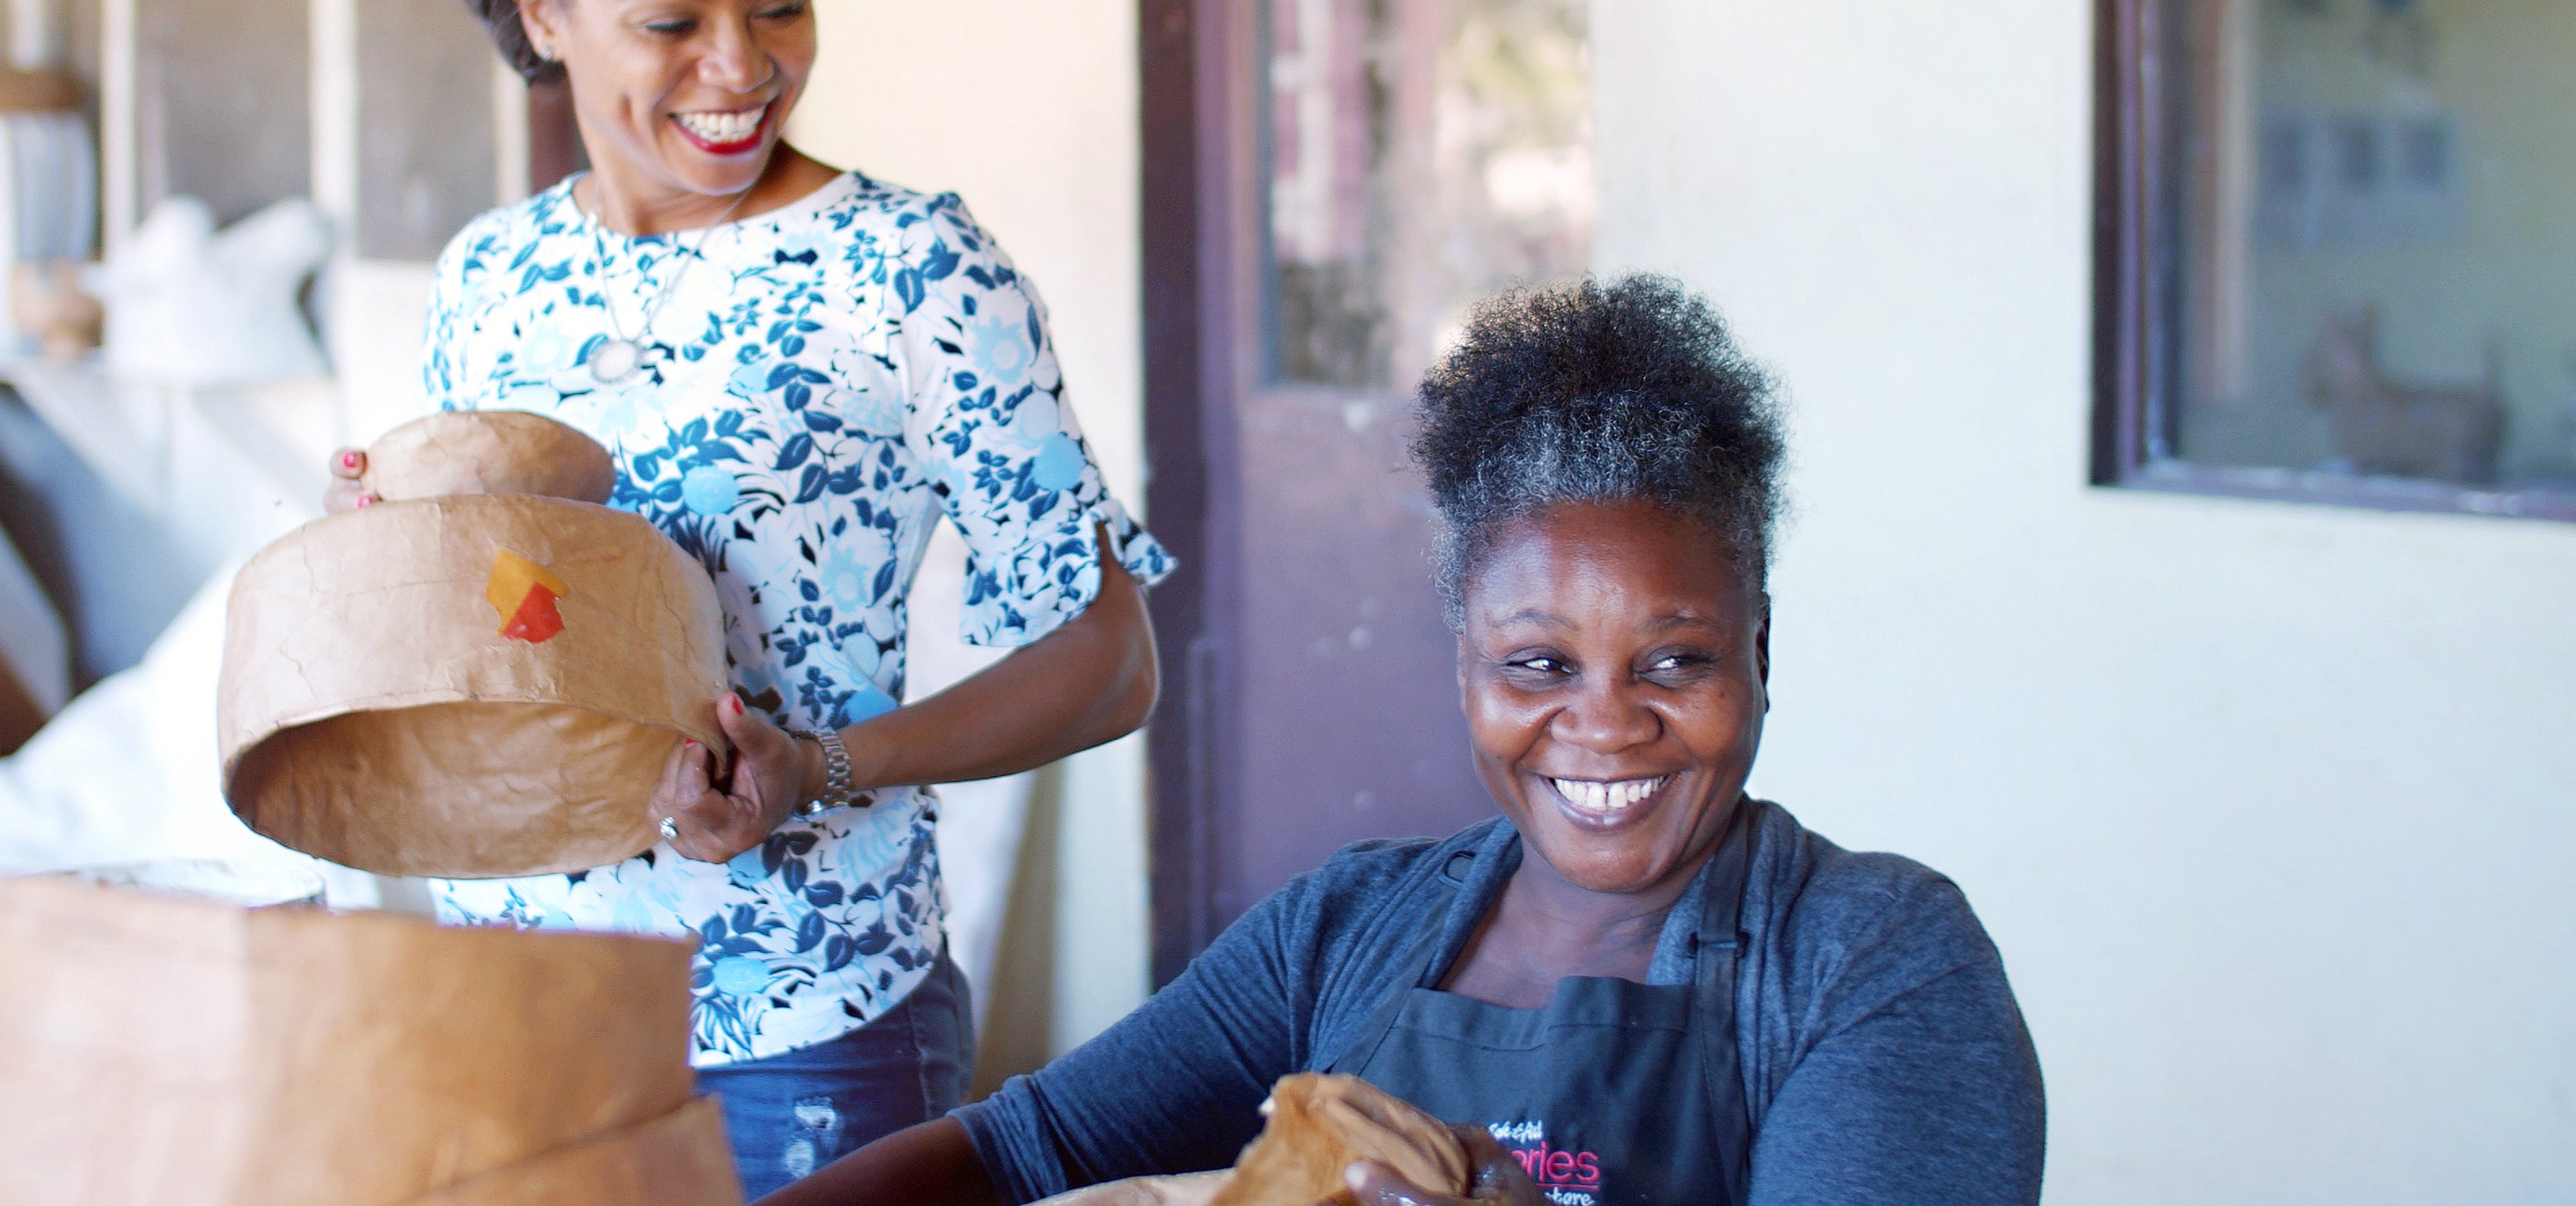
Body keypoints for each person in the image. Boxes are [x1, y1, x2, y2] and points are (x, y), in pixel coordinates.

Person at [765, 277, 2047, 1206]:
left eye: (1676, 660)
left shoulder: (1871, 963)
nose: (1601, 722)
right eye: (1538, 664)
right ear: (1465, 667)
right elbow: (1013, 1156)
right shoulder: (1345, 928)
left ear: (1758, 654)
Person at [325, 0, 1170, 1195]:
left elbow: (1110, 662)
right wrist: (388, 553)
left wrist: (817, 768)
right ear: (543, 13)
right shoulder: (490, 278)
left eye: (779, 4)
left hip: (808, 1031)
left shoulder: (914, 270)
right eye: (672, 21)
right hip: (519, 1009)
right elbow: (502, 628)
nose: (741, 66)